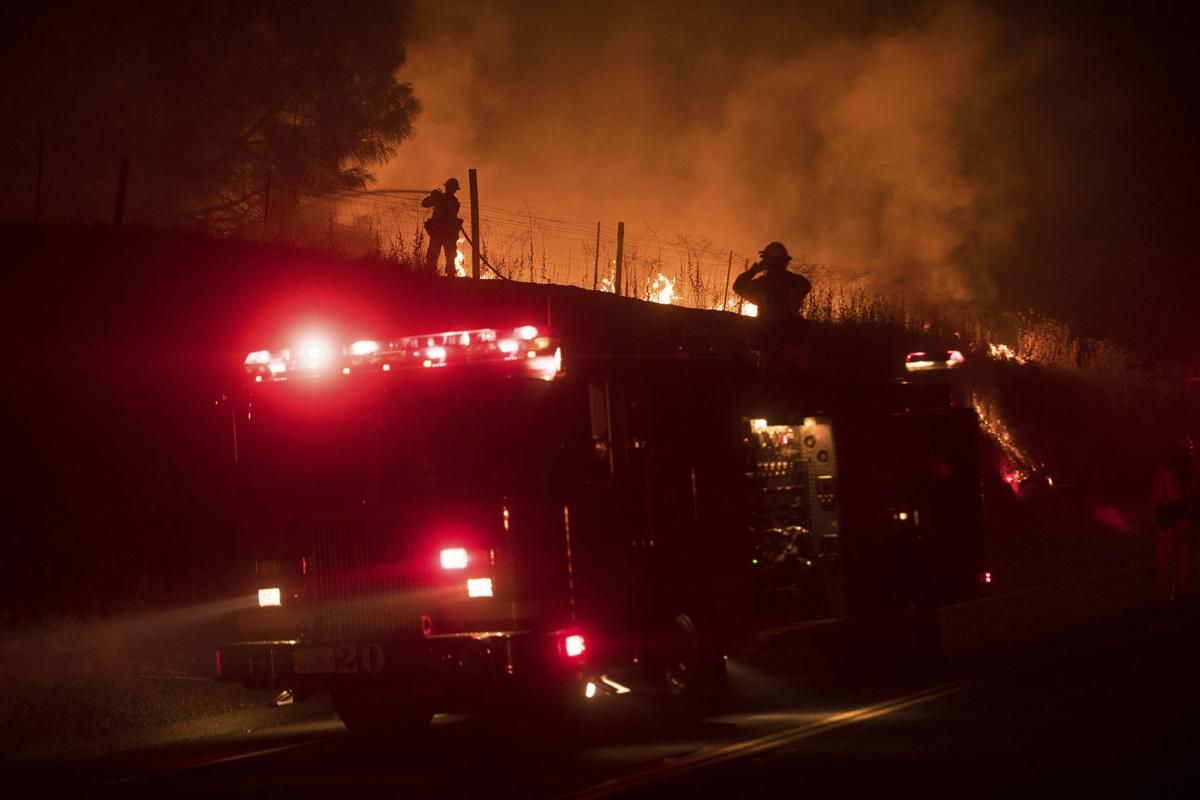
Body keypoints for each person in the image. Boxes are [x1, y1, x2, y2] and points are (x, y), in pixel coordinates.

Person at [732, 242, 812, 374]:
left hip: (766, 335)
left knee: (767, 373)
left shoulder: (760, 285)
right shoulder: (798, 282)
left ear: (767, 262)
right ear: (785, 262)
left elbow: (738, 286)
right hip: (791, 334)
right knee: (797, 374)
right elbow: (805, 287)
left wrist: (753, 271)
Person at [1152, 436, 1196, 602]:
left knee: (1164, 561)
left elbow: (1156, 499)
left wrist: (1154, 520)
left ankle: (1163, 598)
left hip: (1170, 522)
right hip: (1186, 521)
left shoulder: (1165, 473)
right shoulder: (1191, 473)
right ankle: (1181, 595)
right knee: (1183, 560)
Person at [421, 177, 463, 276]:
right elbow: (424, 203)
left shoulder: (453, 202)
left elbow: (446, 213)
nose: (451, 190)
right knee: (440, 254)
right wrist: (433, 196)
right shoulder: (441, 198)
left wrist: (436, 197)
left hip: (443, 232)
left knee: (449, 255)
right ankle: (432, 274)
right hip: (444, 232)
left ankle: (446, 275)